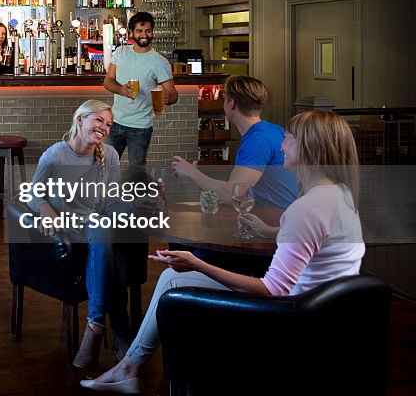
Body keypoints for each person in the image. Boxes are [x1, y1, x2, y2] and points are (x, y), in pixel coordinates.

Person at [81, 110, 365, 394]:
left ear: (309, 148)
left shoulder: (307, 208)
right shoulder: (340, 195)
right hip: (327, 314)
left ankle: (130, 368)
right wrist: (269, 231)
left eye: (288, 138)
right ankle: (128, 368)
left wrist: (197, 264)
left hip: (290, 318)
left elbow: (272, 289)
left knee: (173, 281)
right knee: (171, 278)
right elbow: (316, 245)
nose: (281, 145)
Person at [29, 100, 135, 371]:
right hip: (67, 230)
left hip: (95, 227)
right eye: (99, 120)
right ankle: (122, 336)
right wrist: (43, 209)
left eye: (108, 124)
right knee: (116, 264)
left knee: (108, 247)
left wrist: (142, 202)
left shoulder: (109, 155)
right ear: (80, 120)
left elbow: (112, 202)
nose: (104, 127)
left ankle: (95, 326)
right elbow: (32, 193)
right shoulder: (54, 155)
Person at [172, 76, 298, 209]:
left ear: (231, 103)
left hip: (271, 221)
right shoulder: (273, 130)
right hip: (274, 216)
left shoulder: (257, 141)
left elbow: (231, 195)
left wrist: (191, 172)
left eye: (224, 99)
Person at [103, 11, 177, 167]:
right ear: (131, 33)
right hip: (115, 121)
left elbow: (172, 94)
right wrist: (121, 89)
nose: (144, 35)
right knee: (104, 166)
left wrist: (168, 98)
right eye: (139, 31)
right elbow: (108, 81)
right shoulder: (120, 52)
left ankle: (136, 192)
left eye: (148, 31)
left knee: (137, 172)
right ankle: (107, 192)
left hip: (141, 127)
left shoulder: (160, 62)